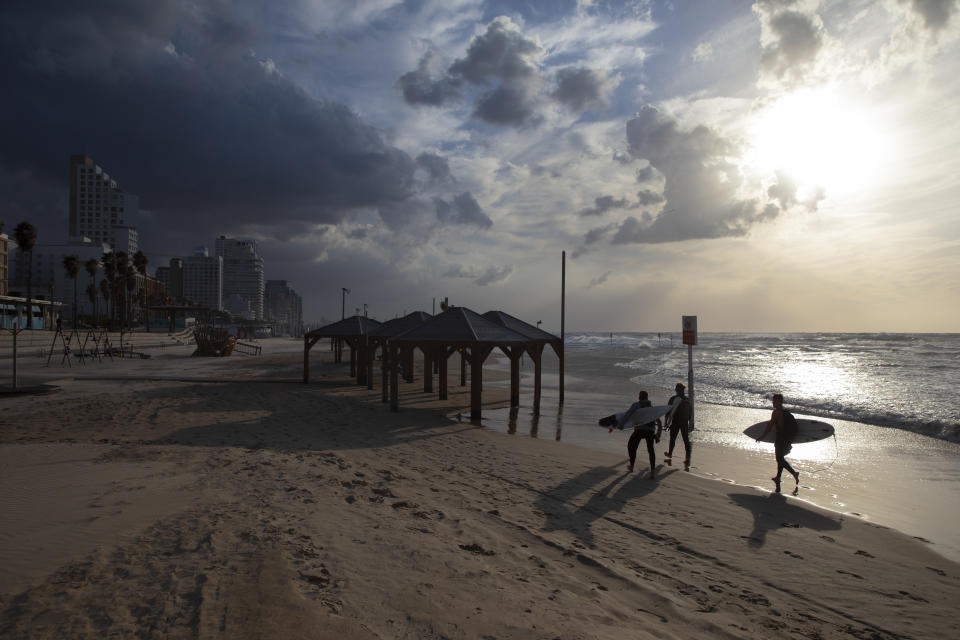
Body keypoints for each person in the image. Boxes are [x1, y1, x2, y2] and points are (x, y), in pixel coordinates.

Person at [756, 393, 799, 493]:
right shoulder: (785, 412)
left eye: (774, 401)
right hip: (788, 438)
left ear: (779, 402)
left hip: (781, 438)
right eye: (773, 400)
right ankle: (778, 477)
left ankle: (794, 473)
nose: (773, 402)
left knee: (779, 459)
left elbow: (769, 426)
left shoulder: (776, 413)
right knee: (780, 458)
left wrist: (762, 437)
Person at [617, 390, 660, 479]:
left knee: (631, 446)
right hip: (650, 431)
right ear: (647, 398)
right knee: (651, 450)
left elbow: (628, 414)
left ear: (639, 397)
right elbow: (659, 421)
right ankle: (652, 472)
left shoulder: (636, 405)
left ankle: (632, 466)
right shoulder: (651, 407)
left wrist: (621, 424)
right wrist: (658, 434)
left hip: (639, 430)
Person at [664, 382, 692, 463]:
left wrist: (666, 423)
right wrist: (690, 422)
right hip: (684, 422)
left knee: (673, 438)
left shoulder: (673, 399)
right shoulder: (687, 400)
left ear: (677, 389)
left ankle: (670, 453)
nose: (676, 390)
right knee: (685, 439)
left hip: (676, 421)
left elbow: (668, 411)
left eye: (676, 389)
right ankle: (687, 458)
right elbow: (690, 412)